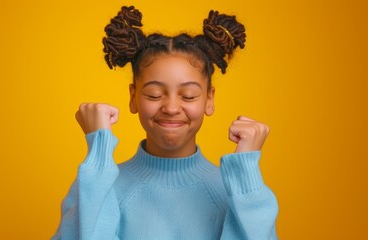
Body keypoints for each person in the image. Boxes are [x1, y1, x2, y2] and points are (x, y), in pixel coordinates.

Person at [52, 6, 278, 240]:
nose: (171, 108)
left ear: (209, 99)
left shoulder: (234, 192)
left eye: (188, 95)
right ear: (133, 97)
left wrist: (246, 173)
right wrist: (98, 154)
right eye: (154, 95)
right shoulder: (98, 185)